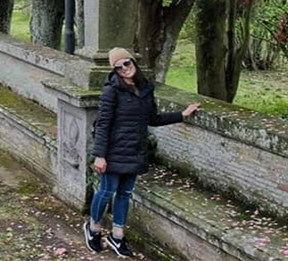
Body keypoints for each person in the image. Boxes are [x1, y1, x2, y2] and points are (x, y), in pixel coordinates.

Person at [83, 47, 200, 257]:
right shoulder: (112, 90)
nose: (124, 69)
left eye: (126, 64)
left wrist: (182, 115)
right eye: (118, 67)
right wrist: (100, 155)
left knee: (125, 194)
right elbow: (103, 124)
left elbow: (152, 119)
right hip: (113, 151)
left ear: (133, 62)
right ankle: (93, 229)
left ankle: (117, 237)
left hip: (135, 150)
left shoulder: (145, 87)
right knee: (106, 191)